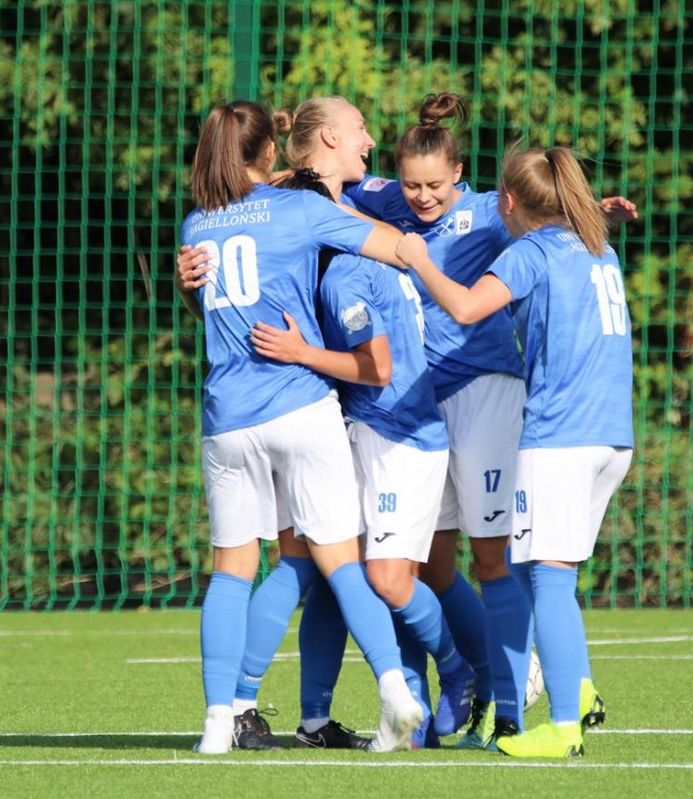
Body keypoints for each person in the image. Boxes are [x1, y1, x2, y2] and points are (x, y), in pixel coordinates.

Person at [181, 97, 475, 749]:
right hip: (306, 406)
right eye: (361, 129)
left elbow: (212, 298)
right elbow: (397, 246)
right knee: (342, 564)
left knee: (244, 569)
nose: (369, 140)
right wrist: (439, 254)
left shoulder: (199, 221)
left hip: (229, 416)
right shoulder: (302, 210)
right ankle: (397, 689)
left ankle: (226, 718)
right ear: (271, 151)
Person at [344, 93, 635, 750]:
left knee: (504, 558)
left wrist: (590, 210)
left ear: (464, 176)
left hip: (490, 395)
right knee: (433, 563)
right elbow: (334, 194)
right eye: (412, 185)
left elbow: (542, 221)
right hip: (421, 403)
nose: (423, 197)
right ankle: (478, 684)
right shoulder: (388, 198)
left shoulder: (492, 216)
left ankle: (517, 696)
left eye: (435, 185)